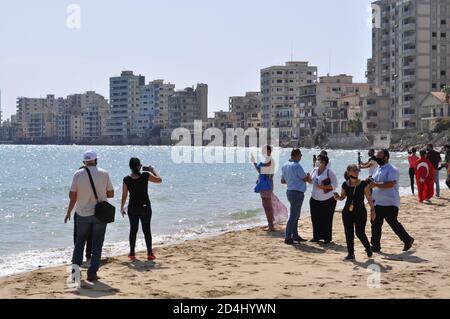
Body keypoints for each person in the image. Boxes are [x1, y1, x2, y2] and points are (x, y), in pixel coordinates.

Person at [65, 150, 114, 282]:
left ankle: (75, 273)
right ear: (96, 160)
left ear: (84, 162)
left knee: (80, 243)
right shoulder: (104, 173)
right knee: (97, 244)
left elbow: (72, 196)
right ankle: (92, 273)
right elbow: (111, 194)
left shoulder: (78, 174)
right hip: (100, 214)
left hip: (82, 213)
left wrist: (69, 210)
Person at [369, 149, 415, 253]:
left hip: (390, 202)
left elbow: (391, 184)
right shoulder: (377, 169)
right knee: (375, 224)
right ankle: (375, 246)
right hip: (377, 202)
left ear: (386, 157)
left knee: (393, 223)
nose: (376, 158)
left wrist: (376, 184)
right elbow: (374, 182)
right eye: (376, 156)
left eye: (379, 156)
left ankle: (407, 239)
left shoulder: (392, 169)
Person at [120, 158, 162, 261]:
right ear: (139, 166)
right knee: (146, 230)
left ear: (130, 167)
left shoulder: (126, 179)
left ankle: (132, 253)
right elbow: (159, 180)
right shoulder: (145, 175)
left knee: (133, 230)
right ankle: (150, 253)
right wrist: (152, 170)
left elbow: (124, 195)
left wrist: (122, 208)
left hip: (133, 208)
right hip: (145, 207)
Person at [334, 165, 376, 260]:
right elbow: (342, 197)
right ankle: (351, 254)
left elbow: (369, 198)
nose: (357, 171)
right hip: (347, 211)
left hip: (360, 211)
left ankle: (368, 247)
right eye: (354, 170)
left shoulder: (363, 184)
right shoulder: (345, 184)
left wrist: (373, 210)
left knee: (360, 232)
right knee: (348, 232)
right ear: (348, 172)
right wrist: (337, 197)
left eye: (357, 170)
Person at [281, 149, 310, 245]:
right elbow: (305, 178)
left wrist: (292, 180)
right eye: (300, 155)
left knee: (295, 215)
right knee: (294, 215)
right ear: (296, 156)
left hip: (289, 191)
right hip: (297, 192)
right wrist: (308, 176)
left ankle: (295, 235)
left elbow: (283, 181)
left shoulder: (284, 165)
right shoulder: (297, 165)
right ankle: (288, 236)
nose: (301, 157)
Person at [308, 155, 338, 244]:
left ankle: (327, 238)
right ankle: (316, 237)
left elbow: (334, 185)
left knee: (327, 219)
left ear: (323, 162)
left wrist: (323, 186)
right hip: (314, 198)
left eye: (318, 159)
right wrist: (308, 178)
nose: (316, 161)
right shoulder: (314, 170)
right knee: (315, 218)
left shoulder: (329, 172)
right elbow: (311, 182)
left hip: (327, 199)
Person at [252, 145, 276, 231]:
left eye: (264, 151)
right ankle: (270, 224)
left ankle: (271, 226)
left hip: (266, 184)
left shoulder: (269, 160)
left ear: (269, 151)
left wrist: (256, 164)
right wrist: (254, 163)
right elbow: (260, 171)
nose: (263, 152)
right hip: (264, 184)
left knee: (267, 206)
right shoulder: (267, 160)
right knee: (266, 205)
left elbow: (265, 171)